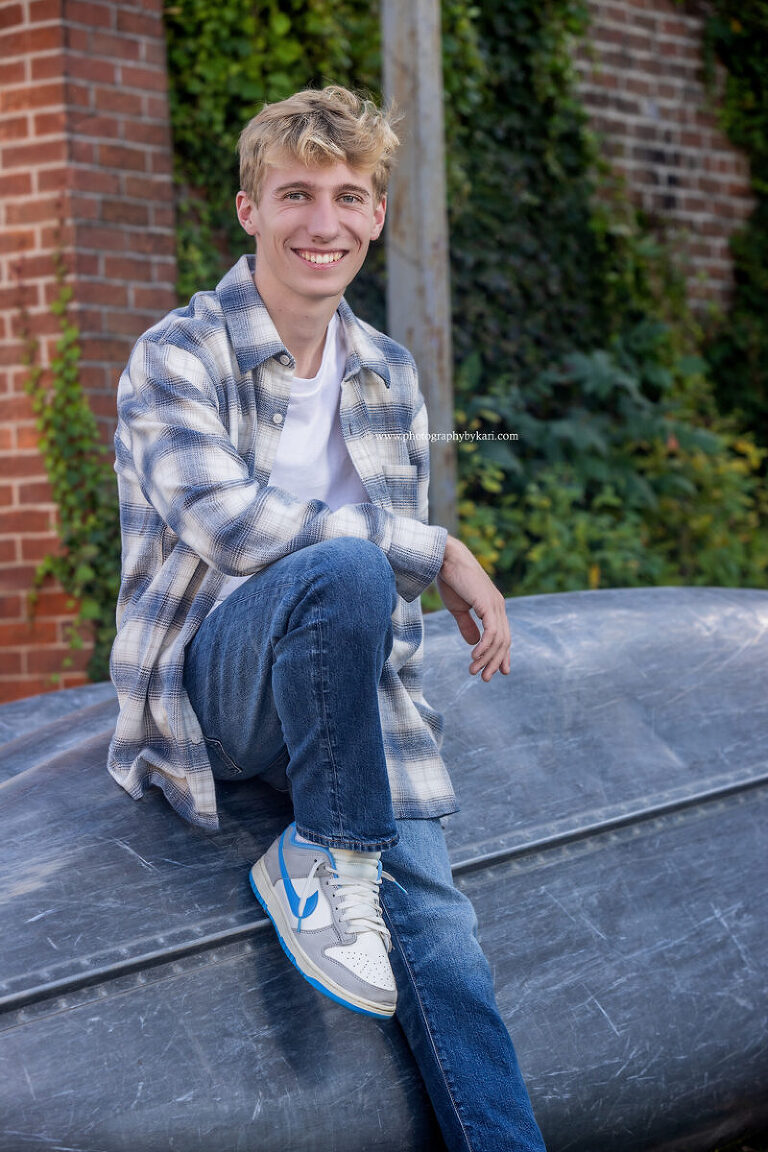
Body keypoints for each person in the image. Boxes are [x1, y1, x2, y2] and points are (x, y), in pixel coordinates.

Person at [108, 85, 546, 1152]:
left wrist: (398, 747)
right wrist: (433, 549)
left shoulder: (389, 375)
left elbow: (380, 613)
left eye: (350, 196)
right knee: (350, 560)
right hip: (217, 687)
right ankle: (328, 860)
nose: (324, 222)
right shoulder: (179, 353)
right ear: (250, 209)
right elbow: (221, 523)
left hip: (342, 694)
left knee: (445, 939)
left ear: (377, 218)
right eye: (297, 193)